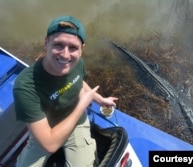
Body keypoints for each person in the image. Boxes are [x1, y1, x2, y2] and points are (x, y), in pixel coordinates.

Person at [13, 15, 118, 167]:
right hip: (47, 128)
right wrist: (82, 105)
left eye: (73, 47)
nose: (65, 55)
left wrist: (100, 99)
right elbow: (49, 144)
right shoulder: (25, 86)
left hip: (77, 123)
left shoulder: (77, 64)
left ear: (82, 50)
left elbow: (79, 82)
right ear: (46, 43)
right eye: (58, 45)